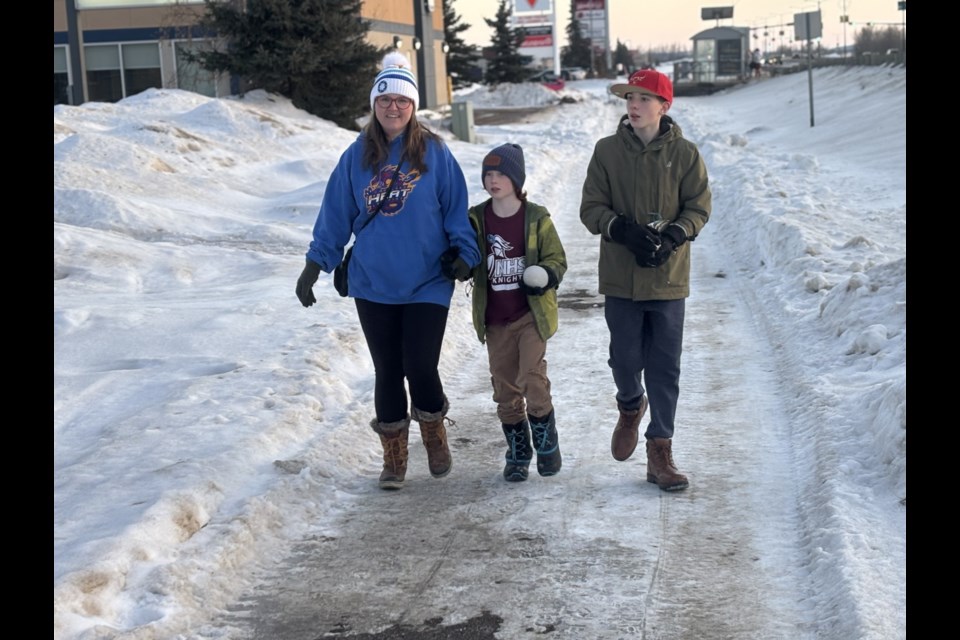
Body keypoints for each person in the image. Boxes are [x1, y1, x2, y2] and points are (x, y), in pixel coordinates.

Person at [295, 52, 481, 490]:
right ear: (374, 105)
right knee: (387, 369)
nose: (393, 108)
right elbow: (335, 216)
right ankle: (394, 457)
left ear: (413, 106)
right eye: (385, 100)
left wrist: (465, 253)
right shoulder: (355, 157)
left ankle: (433, 431)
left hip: (427, 281)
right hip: (373, 281)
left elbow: (456, 211)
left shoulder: (434, 153)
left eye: (402, 100)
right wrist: (314, 264)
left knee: (420, 365)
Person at [579, 68, 711, 491]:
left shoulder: (686, 154)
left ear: (664, 106)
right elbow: (591, 208)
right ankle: (630, 404)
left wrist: (675, 234)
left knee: (665, 367)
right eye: (628, 98)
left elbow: (699, 207)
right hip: (622, 278)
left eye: (642, 99)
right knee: (624, 358)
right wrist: (620, 228)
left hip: (668, 278)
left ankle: (660, 451)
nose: (633, 106)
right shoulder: (606, 151)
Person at [467, 144, 567, 482]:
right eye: (488, 174)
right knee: (505, 387)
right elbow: (463, 251)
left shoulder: (536, 217)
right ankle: (519, 450)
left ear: (516, 179)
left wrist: (547, 275)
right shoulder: (477, 218)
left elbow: (557, 258)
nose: (493, 180)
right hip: (496, 319)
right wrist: (459, 262)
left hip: (530, 315)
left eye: (501, 174)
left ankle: (546, 442)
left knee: (532, 378)